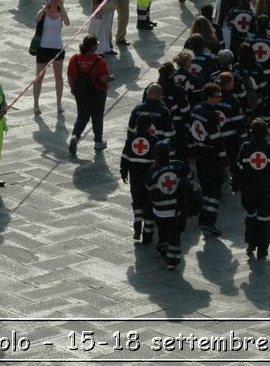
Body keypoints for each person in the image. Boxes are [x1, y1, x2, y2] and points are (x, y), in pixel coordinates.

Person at [234, 117, 270, 259]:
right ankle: (262, 249)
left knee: (251, 216)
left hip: (248, 189)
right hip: (265, 190)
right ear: (266, 133)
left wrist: (235, 185)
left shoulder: (245, 148)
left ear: (251, 132)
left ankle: (251, 243)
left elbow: (239, 169)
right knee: (264, 219)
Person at [189, 80, 229, 238]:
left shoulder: (195, 110)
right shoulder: (211, 116)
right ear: (209, 98)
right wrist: (225, 160)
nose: (219, 99)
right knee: (215, 190)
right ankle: (209, 221)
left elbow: (190, 133)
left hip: (200, 153)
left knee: (205, 187)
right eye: (217, 96)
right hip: (212, 156)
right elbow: (217, 141)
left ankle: (203, 217)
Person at [146, 141, 194, 271]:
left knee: (163, 231)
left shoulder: (152, 171)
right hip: (174, 211)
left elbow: (149, 190)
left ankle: (162, 246)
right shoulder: (178, 166)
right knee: (174, 236)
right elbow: (189, 181)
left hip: (159, 211)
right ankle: (172, 261)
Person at [67, 34, 112, 155]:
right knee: (97, 117)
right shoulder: (99, 61)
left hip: (80, 92)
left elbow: (70, 76)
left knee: (82, 115)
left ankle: (75, 136)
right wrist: (111, 78)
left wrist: (72, 88)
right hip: (97, 92)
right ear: (93, 47)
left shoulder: (75, 58)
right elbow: (103, 79)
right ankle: (98, 142)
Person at [120, 113, 157, 245]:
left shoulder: (131, 140)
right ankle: (147, 234)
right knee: (148, 205)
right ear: (149, 126)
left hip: (134, 178)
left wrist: (123, 171)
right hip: (148, 179)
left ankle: (137, 224)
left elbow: (124, 157)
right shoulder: (153, 140)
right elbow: (156, 162)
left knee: (136, 201)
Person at [31, 0, 70, 115]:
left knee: (58, 77)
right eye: (52, 0)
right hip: (43, 48)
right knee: (39, 78)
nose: (54, 2)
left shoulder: (60, 12)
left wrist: (62, 7)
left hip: (57, 48)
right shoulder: (44, 12)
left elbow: (67, 22)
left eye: (56, 0)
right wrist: (45, 7)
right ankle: (36, 104)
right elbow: (36, 19)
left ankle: (59, 103)